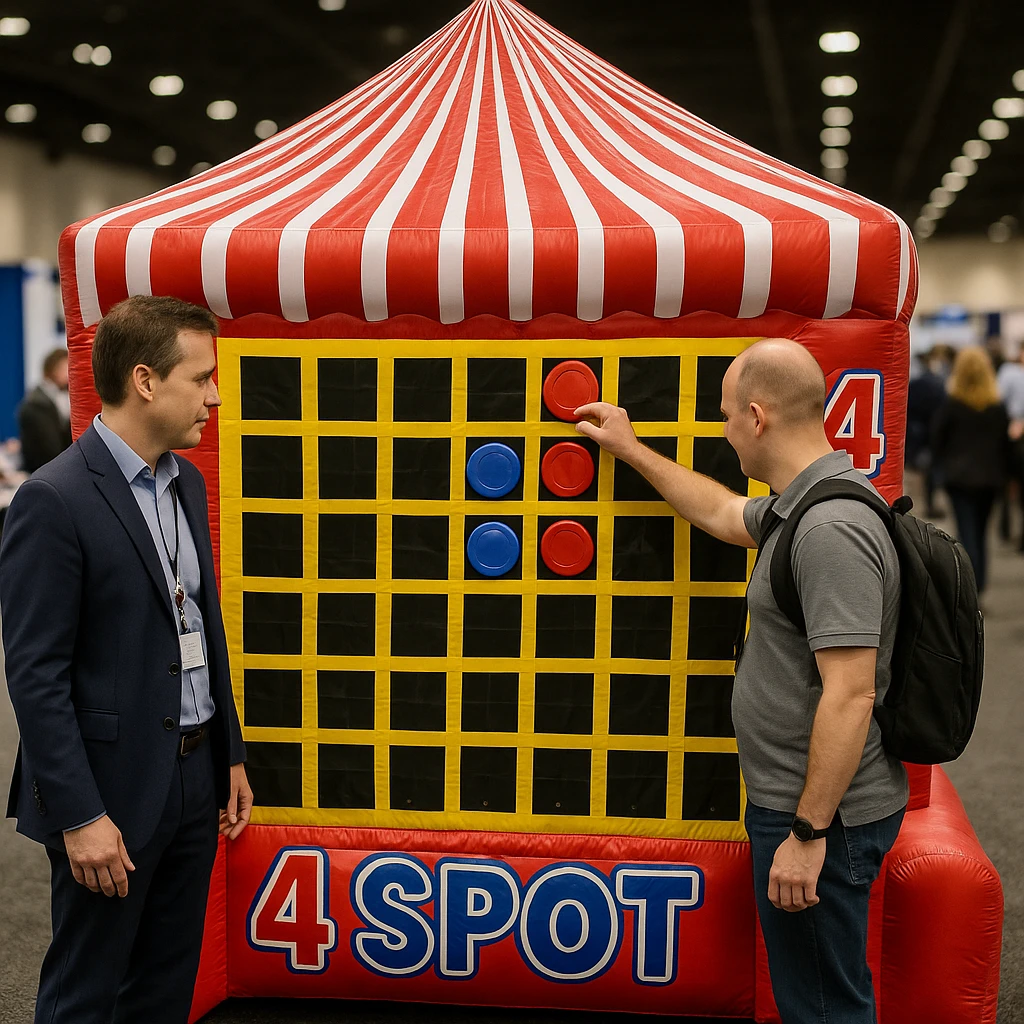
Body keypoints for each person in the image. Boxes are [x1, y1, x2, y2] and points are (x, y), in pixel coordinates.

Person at [576, 337, 907, 1024]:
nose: (725, 432)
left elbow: (852, 693)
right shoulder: (799, 507)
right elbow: (724, 514)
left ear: (756, 417)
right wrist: (630, 449)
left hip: (823, 819)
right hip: (805, 809)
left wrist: (808, 833)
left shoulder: (830, 529)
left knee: (824, 1005)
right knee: (814, 994)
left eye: (727, 417)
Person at [0, 295, 252, 1024]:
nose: (215, 395)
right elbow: (35, 675)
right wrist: (80, 816)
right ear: (145, 380)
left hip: (193, 781)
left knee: (163, 990)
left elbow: (197, 627)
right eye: (201, 377)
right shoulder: (54, 499)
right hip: (106, 793)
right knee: (87, 992)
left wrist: (226, 754)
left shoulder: (187, 482)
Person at [931, 346, 1012, 594]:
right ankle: (980, 587)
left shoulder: (952, 405)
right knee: (981, 534)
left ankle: (969, 591)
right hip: (990, 479)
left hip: (960, 479)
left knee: (966, 534)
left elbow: (937, 441)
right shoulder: (997, 409)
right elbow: (1005, 446)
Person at [905, 347, 949, 518]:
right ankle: (930, 502)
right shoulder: (937, 383)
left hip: (916, 433)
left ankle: (920, 504)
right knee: (932, 470)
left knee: (918, 469)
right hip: (933, 432)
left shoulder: (913, 383)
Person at [18, 347, 72, 472]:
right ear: (52, 369)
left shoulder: (56, 398)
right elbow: (51, 450)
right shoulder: (38, 404)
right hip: (43, 472)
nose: (69, 373)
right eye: (65, 368)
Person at [996, 346, 1024, 550]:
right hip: (1011, 436)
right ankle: (1005, 527)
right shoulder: (1009, 372)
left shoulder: (1008, 373)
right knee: (1007, 484)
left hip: (1014, 433)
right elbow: (999, 401)